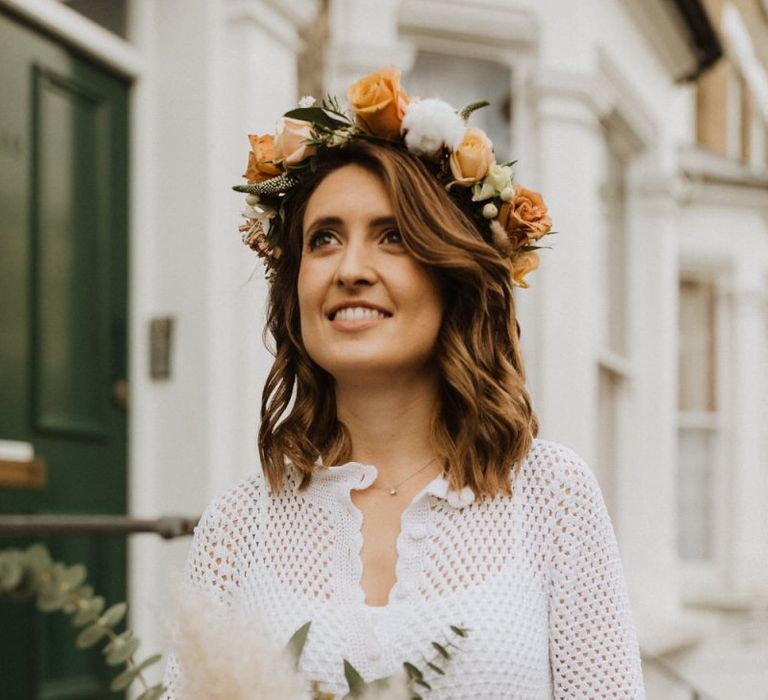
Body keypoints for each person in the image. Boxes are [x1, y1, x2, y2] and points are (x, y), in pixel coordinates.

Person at [164, 68, 645, 698]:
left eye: (392, 237)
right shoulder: (237, 524)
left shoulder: (552, 498)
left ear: (452, 274)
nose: (351, 269)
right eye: (324, 239)